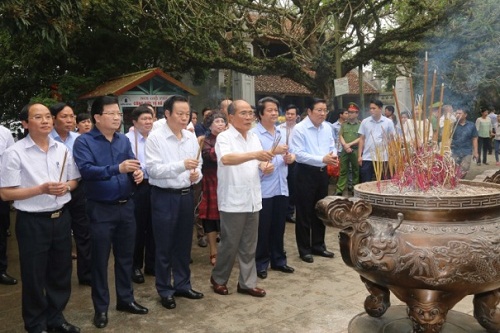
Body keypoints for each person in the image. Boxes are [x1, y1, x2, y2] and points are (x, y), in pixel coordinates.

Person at [0, 103, 81, 333]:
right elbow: (6, 192)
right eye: (38, 117)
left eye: (47, 116)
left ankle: (56, 318)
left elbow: (74, 180)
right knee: (34, 276)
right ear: (25, 124)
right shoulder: (14, 153)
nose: (45, 121)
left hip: (61, 218)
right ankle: (36, 324)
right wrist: (41, 189)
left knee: (61, 272)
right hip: (32, 221)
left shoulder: (62, 150)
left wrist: (66, 187)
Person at [73, 96, 148, 329]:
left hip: (126, 207)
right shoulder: (84, 142)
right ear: (97, 117)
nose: (117, 117)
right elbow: (86, 170)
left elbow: (132, 162)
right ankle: (101, 308)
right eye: (111, 113)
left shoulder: (122, 141)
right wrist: (118, 168)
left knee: (125, 258)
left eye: (118, 113)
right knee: (100, 261)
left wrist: (137, 173)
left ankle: (126, 300)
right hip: (100, 210)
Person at [145, 95, 204, 310]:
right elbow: (152, 170)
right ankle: (165, 289)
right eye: (179, 113)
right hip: (164, 196)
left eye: (187, 114)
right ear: (167, 113)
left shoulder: (190, 137)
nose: (184, 118)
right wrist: (181, 166)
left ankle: (182, 284)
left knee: (183, 244)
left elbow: (198, 167)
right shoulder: (155, 138)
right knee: (164, 246)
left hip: (186, 195)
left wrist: (195, 176)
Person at [210, 99, 274, 297]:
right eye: (244, 113)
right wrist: (255, 155)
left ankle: (246, 283)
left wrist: (264, 166)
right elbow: (227, 159)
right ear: (230, 116)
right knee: (230, 244)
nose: (249, 117)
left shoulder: (253, 137)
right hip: (233, 199)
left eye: (250, 113)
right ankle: (218, 278)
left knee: (249, 244)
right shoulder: (224, 138)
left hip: (253, 198)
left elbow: (257, 162)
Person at [290, 98, 339, 263]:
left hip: (322, 173)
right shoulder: (299, 129)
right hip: (304, 173)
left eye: (325, 110)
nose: (323, 113)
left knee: (320, 210)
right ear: (309, 111)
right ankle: (304, 249)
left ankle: (318, 245)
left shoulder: (327, 127)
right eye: (319, 110)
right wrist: (322, 159)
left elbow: (332, 145)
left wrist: (332, 156)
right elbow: (299, 154)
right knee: (304, 212)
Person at [49, 102, 92, 286]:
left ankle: (86, 274)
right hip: (54, 192)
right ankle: (60, 279)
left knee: (83, 232)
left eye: (72, 116)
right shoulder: (46, 139)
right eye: (64, 116)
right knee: (60, 237)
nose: (70, 120)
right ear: (53, 119)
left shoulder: (79, 139)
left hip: (79, 189)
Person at [252, 97, 295, 279]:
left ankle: (279, 260)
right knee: (263, 228)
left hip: (281, 186)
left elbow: (289, 153)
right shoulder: (254, 134)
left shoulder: (281, 132)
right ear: (260, 114)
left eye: (276, 110)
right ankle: (261, 262)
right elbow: (253, 158)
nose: (274, 113)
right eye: (269, 110)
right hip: (263, 187)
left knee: (279, 226)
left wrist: (290, 158)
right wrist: (273, 152)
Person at [125, 105, 156, 283]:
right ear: (134, 122)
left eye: (150, 118)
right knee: (137, 228)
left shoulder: (156, 139)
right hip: (137, 186)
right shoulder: (126, 140)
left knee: (154, 226)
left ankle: (152, 264)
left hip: (155, 185)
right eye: (144, 119)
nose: (148, 122)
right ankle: (135, 266)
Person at [198, 112, 227, 266]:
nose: (220, 124)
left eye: (223, 121)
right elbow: (210, 157)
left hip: (227, 181)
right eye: (217, 121)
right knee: (210, 218)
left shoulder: (230, 139)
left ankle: (226, 250)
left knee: (227, 217)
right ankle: (213, 251)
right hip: (211, 181)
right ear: (210, 125)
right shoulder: (205, 140)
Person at [357, 99, 396, 183]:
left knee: (382, 182)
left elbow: (392, 140)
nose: (371, 110)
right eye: (370, 108)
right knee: (365, 182)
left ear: (380, 108)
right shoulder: (365, 121)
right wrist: (360, 156)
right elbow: (362, 139)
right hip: (367, 157)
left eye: (374, 108)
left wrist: (392, 155)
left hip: (383, 157)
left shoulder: (388, 122)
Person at [0, 124, 17, 286]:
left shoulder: (4, 133)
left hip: (1, 190)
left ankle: (1, 270)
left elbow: (10, 161)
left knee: (1, 231)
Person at [279, 105, 299, 223]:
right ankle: (281, 211)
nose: (290, 116)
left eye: (292, 114)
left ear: (297, 116)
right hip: (280, 161)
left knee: (292, 187)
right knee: (281, 186)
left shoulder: (299, 129)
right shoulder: (278, 128)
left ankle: (290, 212)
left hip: (294, 161)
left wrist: (293, 156)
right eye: (288, 113)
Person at [336, 103, 361, 196]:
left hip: (355, 150)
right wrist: (345, 146)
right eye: (349, 112)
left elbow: (361, 138)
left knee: (355, 170)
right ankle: (339, 189)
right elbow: (340, 136)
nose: (350, 114)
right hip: (345, 150)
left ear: (357, 113)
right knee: (343, 170)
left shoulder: (360, 124)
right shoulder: (344, 124)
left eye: (352, 112)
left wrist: (349, 145)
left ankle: (354, 188)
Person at [450, 108, 478, 178]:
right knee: (452, 169)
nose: (458, 115)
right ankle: (455, 182)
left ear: (465, 115)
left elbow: (474, 138)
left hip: (467, 151)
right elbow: (447, 137)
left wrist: (476, 152)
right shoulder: (452, 125)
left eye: (460, 113)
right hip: (454, 151)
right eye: (457, 113)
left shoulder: (471, 125)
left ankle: (459, 181)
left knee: (464, 169)